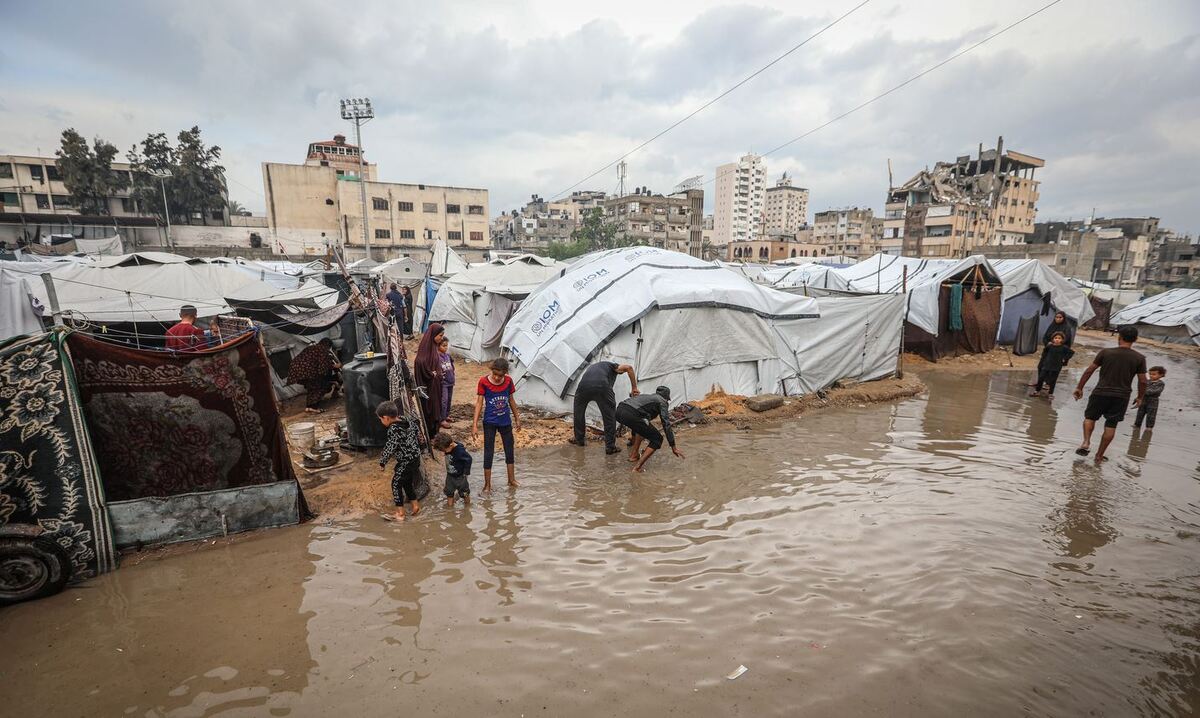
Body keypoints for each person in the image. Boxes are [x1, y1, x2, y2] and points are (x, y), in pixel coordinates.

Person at [1073, 325, 1148, 462]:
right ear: (1135, 339)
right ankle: (1099, 455)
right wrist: (1140, 397)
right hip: (1121, 396)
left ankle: (1086, 442)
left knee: (1090, 418)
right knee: (1111, 425)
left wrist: (1079, 387)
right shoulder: (1139, 358)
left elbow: (1090, 370)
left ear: (1119, 337)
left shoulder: (1106, 352)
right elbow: (1143, 381)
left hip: (1100, 392)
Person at [568, 360, 640, 454]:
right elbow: (629, 368)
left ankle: (579, 439)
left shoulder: (593, 367)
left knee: (579, 413)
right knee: (609, 416)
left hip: (583, 387)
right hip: (602, 386)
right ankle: (610, 447)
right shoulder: (613, 366)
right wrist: (634, 388)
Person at [472, 357, 521, 492]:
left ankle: (511, 480)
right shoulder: (483, 382)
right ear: (491, 370)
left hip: (505, 422)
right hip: (490, 422)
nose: (497, 378)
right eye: (495, 374)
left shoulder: (509, 381)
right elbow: (479, 403)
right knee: (489, 452)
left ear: (505, 373)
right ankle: (487, 485)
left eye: (501, 375)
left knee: (509, 450)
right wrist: (474, 424)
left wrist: (517, 418)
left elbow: (511, 400)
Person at [616, 385, 684, 473]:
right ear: (666, 397)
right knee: (657, 438)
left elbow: (638, 425)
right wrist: (673, 446)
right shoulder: (662, 401)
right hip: (631, 414)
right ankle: (637, 468)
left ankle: (634, 455)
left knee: (642, 427)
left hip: (619, 410)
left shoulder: (647, 398)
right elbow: (666, 424)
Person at [377, 401, 422, 521]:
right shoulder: (407, 420)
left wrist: (383, 462)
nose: (381, 422)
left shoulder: (393, 429)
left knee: (396, 483)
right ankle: (415, 505)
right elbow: (417, 434)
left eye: (381, 419)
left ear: (386, 418)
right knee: (407, 482)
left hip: (405, 462)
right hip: (416, 458)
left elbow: (390, 446)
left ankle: (400, 513)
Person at [288, 338, 343, 414]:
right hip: (308, 371)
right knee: (319, 385)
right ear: (328, 345)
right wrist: (335, 366)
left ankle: (309, 407)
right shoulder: (323, 350)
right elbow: (322, 369)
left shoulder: (311, 347)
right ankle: (313, 407)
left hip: (296, 371)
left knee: (312, 386)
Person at [414, 323, 447, 437]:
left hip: (436, 386)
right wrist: (430, 373)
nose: (441, 338)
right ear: (433, 335)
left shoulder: (433, 347)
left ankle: (435, 433)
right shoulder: (426, 348)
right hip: (429, 387)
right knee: (430, 409)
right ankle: (430, 434)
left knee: (436, 408)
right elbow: (420, 362)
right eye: (440, 335)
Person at [432, 431, 473, 507]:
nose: (443, 452)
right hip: (450, 476)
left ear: (451, 445)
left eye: (444, 450)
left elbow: (469, 459)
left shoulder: (460, 451)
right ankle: (450, 507)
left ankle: (467, 507)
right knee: (449, 492)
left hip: (460, 477)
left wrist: (466, 472)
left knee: (465, 493)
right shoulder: (448, 446)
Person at [1029, 331, 1074, 398]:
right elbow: (1044, 352)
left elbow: (1071, 353)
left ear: (1062, 340)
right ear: (1053, 339)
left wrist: (1065, 358)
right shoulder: (1049, 346)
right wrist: (1044, 359)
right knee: (1041, 377)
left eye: (1059, 338)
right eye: (1056, 338)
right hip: (1047, 365)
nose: (1057, 339)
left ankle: (1050, 393)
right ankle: (1037, 391)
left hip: (1056, 366)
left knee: (1053, 380)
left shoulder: (1064, 347)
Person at [1133, 366, 1166, 430]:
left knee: (1151, 415)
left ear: (1161, 375)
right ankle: (1137, 425)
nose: (1151, 375)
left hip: (1153, 401)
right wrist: (1138, 397)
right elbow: (1141, 389)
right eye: (1150, 374)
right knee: (1140, 413)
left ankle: (1149, 427)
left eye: (1154, 374)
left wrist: (1144, 391)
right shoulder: (1147, 381)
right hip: (1143, 399)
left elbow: (1156, 391)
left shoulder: (1160, 383)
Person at [438, 336, 455, 427]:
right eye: (443, 346)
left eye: (446, 346)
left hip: (450, 381)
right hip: (443, 383)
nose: (445, 347)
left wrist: (453, 375)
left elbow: (452, 365)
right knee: (444, 401)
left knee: (449, 400)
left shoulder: (447, 356)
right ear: (438, 346)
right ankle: (442, 419)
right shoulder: (437, 357)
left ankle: (446, 415)